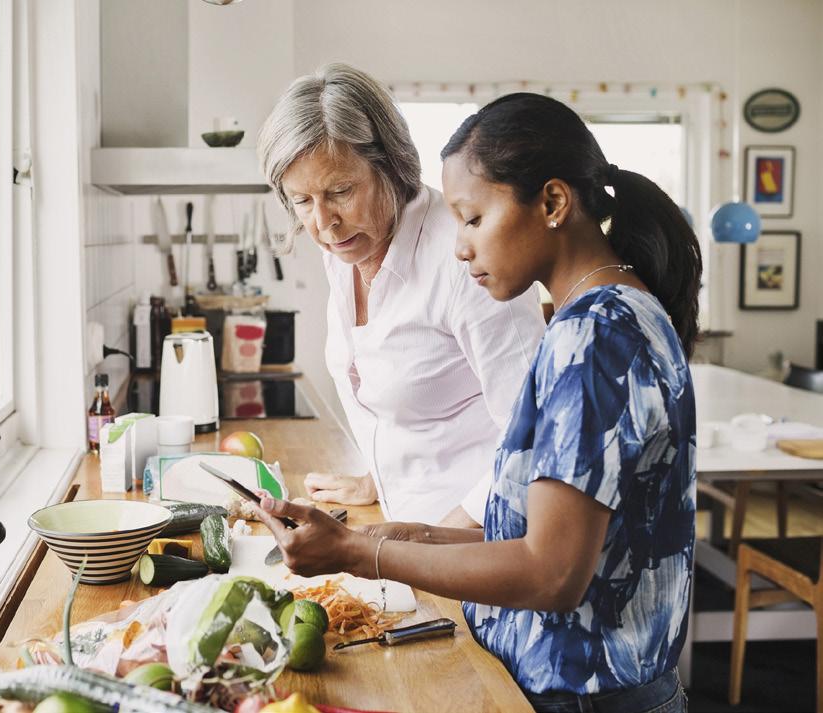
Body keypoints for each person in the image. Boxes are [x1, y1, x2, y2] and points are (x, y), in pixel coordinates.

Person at [253, 92, 700, 713]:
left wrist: (365, 552)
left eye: (472, 219)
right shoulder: (614, 314)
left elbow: (551, 574)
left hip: (582, 697)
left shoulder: (594, 340)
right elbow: (537, 526)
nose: (459, 248)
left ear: (552, 203)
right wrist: (410, 535)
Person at [257, 64, 546, 525]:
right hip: (402, 532)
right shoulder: (346, 247)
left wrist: (441, 540)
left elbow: (538, 432)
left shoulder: (466, 255)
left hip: (479, 544)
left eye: (341, 190)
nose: (323, 222)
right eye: (303, 201)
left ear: (390, 165)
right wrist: (377, 478)